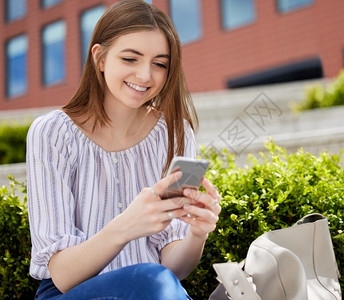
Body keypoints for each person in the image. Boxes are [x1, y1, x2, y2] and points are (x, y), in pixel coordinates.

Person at [26, 0, 221, 299]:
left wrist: (197, 233)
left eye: (160, 64)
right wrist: (126, 226)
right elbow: (63, 276)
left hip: (155, 289)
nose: (145, 75)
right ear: (100, 58)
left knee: (156, 281)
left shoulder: (176, 132)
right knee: (150, 278)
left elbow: (174, 269)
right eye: (130, 59)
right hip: (70, 293)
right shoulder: (51, 133)